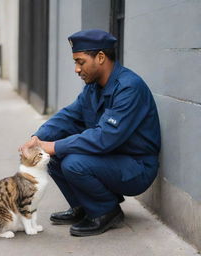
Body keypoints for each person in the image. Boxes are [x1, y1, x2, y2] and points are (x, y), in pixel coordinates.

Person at [19, 29, 161, 237]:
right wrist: (38, 138)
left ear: (101, 58)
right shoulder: (93, 88)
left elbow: (105, 138)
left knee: (72, 162)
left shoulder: (129, 88)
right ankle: (84, 206)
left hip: (136, 167)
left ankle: (106, 211)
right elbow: (68, 116)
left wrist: (54, 146)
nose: (76, 69)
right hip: (112, 158)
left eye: (80, 61)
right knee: (50, 154)